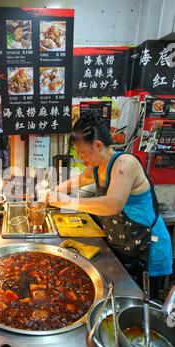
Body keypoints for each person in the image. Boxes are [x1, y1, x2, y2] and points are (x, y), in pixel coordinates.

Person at [47, 113, 173, 299]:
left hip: (148, 248)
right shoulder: (98, 165)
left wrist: (67, 201)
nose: (81, 159)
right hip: (124, 246)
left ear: (97, 145)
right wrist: (56, 190)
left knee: (141, 305)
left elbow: (112, 205)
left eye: (82, 153)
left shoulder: (125, 163)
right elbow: (82, 179)